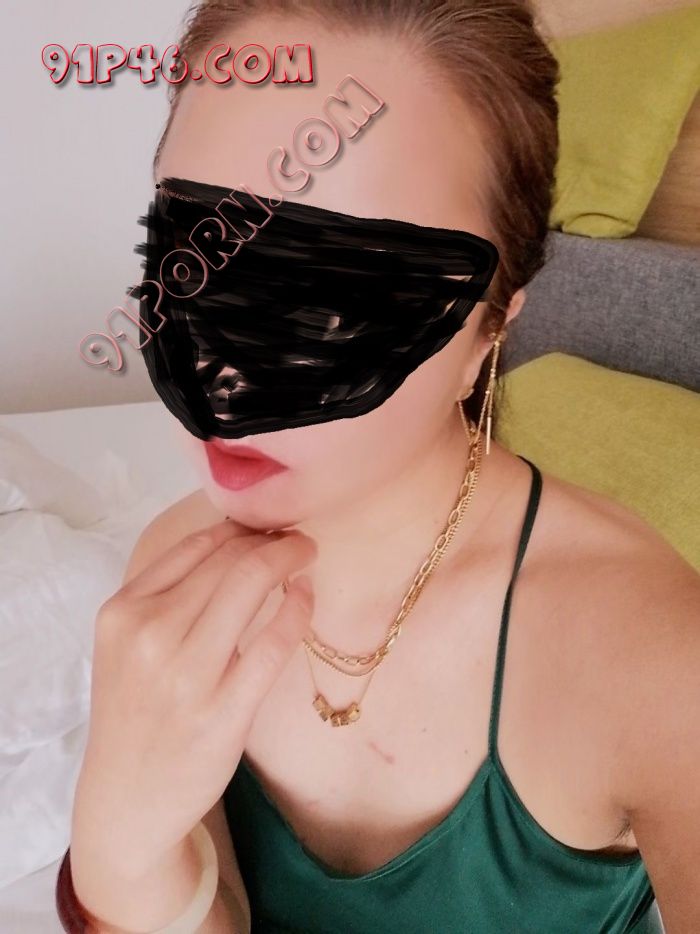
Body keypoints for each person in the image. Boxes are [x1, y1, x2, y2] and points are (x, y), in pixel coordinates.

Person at [61, 2, 700, 932]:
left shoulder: (655, 657)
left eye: (338, 300)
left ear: (489, 329)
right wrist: (119, 852)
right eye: (199, 257)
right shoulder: (173, 568)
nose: (227, 374)